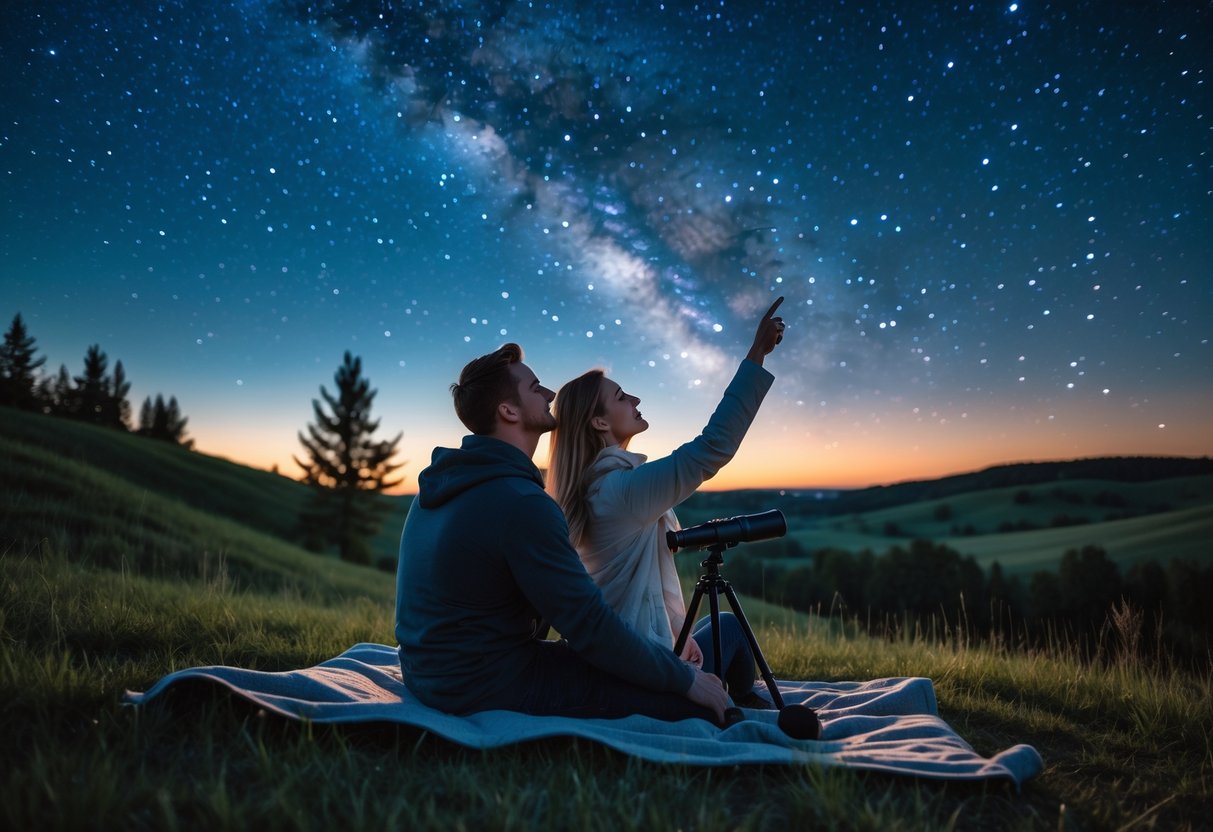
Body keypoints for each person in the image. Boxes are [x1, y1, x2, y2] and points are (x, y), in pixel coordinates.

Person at [394, 342, 732, 726]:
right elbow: (588, 624)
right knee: (697, 704)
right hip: (487, 684)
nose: (551, 393)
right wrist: (683, 678)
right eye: (535, 387)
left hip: (428, 674)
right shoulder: (521, 502)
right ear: (508, 411)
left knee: (692, 653)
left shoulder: (439, 488)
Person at [546, 297, 786, 708]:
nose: (635, 399)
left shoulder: (591, 489)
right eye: (621, 396)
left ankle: (734, 696)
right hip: (640, 670)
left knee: (718, 627)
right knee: (730, 628)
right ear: (599, 422)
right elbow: (712, 448)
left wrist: (679, 633)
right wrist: (756, 355)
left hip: (617, 657)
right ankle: (740, 703)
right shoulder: (621, 491)